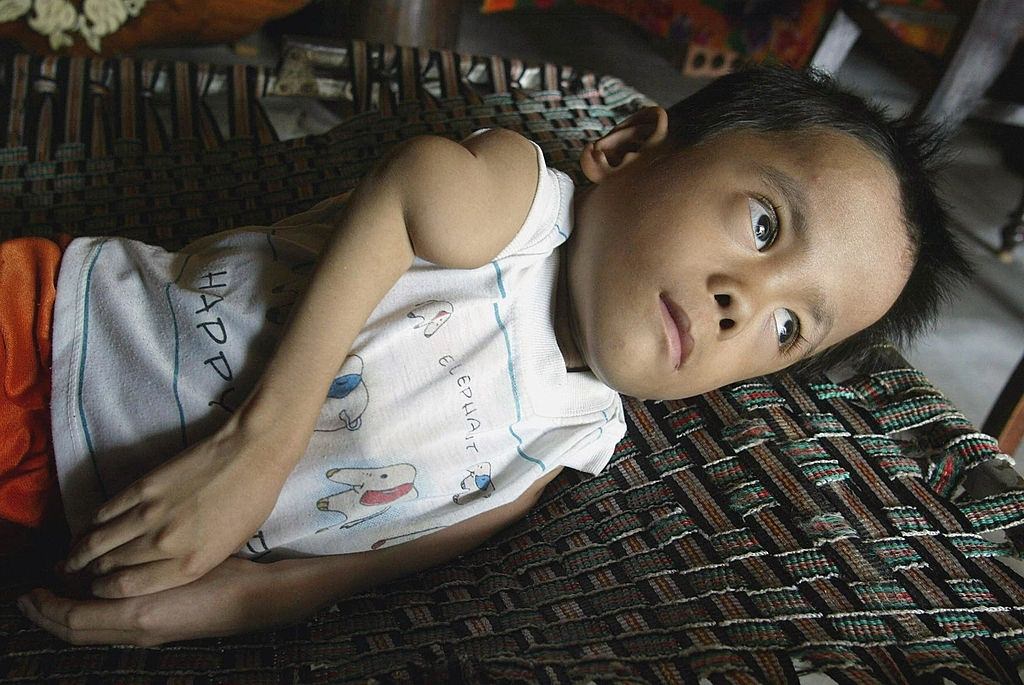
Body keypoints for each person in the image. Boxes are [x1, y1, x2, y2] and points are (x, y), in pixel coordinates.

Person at [2, 65, 969, 646]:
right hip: (50, 332)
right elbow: (408, 186)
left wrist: (201, 609)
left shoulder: (566, 436)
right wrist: (262, 444)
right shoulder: (519, 205)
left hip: (70, 503)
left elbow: (364, 567)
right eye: (764, 226)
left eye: (790, 328)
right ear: (629, 148)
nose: (743, 303)